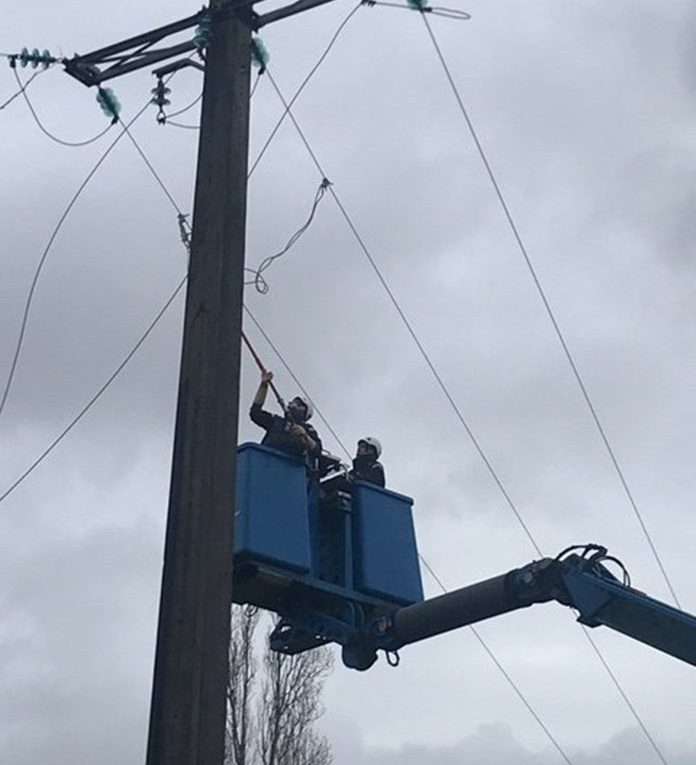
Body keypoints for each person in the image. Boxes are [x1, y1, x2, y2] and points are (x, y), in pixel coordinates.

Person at [249, 370, 322, 464]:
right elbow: (255, 413)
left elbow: (317, 450)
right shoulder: (277, 422)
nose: (294, 404)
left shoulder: (307, 429)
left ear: (305, 413)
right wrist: (263, 385)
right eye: (294, 402)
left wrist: (305, 436)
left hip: (290, 468)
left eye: (299, 404)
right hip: (266, 464)